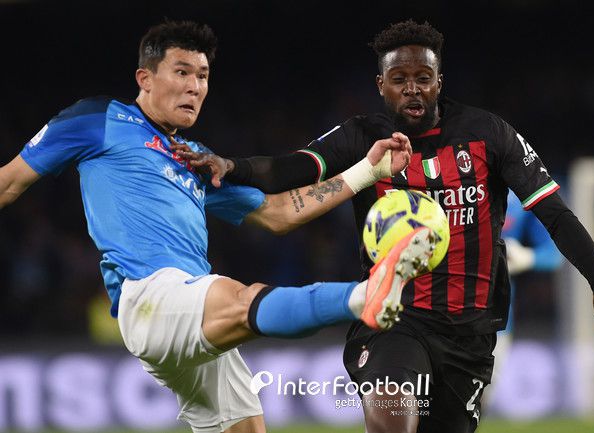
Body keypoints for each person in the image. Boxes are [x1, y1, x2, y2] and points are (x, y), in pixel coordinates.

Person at [179, 19, 594, 433]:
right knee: (391, 416)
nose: (412, 90)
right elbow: (291, 168)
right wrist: (231, 165)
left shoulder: (488, 134)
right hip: (394, 319)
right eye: (399, 79)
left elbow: (554, 212)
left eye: (423, 78)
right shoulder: (362, 138)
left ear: (439, 81)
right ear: (381, 85)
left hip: (469, 334)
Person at [0, 20, 439, 433]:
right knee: (240, 297)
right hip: (151, 297)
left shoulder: (194, 158)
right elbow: (9, 183)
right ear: (145, 78)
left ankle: (364, 295)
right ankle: (362, 296)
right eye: (182, 72)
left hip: (191, 309)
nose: (194, 86)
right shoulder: (97, 119)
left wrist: (367, 171)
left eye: (203, 76)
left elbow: (280, 213)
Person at [482, 189, 564, 408]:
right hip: (442, 309)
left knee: (477, 403)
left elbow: (554, 254)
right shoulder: (446, 183)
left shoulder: (522, 193)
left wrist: (526, 257)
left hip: (496, 318)